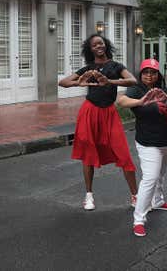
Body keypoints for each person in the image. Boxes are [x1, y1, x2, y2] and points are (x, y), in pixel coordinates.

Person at [58, 34, 138, 211]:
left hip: (109, 113)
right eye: (94, 45)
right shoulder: (89, 68)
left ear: (106, 45)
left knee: (123, 153)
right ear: (90, 49)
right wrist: (79, 83)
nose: (98, 46)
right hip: (90, 112)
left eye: (100, 43)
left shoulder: (116, 66)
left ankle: (135, 195)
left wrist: (110, 81)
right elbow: (63, 82)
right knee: (88, 154)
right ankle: (89, 195)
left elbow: (132, 80)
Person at [117, 58, 167, 237]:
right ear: (141, 74)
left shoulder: (162, 87)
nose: (149, 75)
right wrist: (141, 101)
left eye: (153, 72)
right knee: (150, 178)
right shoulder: (136, 89)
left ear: (157, 74)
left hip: (166, 139)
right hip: (148, 142)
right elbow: (121, 101)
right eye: (146, 72)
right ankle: (139, 219)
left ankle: (158, 201)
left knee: (160, 174)